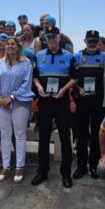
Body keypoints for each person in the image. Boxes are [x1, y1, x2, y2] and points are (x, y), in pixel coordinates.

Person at [32, 26, 77, 187]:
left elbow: (75, 78)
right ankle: (42, 171)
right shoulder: (39, 55)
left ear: (59, 38)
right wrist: (38, 87)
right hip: (44, 102)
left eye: (54, 37)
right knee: (43, 138)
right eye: (48, 37)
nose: (51, 40)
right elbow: (35, 77)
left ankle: (66, 173)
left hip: (61, 102)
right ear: (45, 39)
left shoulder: (68, 56)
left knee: (65, 138)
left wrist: (64, 90)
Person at [0, 37, 34, 183]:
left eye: (13, 44)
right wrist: (0, 98)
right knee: (5, 135)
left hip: (20, 103)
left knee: (20, 135)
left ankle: (19, 166)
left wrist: (11, 98)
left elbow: (26, 84)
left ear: (18, 46)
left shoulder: (26, 64)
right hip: (1, 104)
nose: (10, 46)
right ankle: (5, 166)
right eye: (8, 44)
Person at [73, 30, 105, 180]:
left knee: (96, 134)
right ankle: (81, 166)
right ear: (85, 41)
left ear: (98, 41)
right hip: (82, 100)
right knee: (81, 134)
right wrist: (78, 89)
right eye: (90, 41)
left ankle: (94, 165)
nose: (93, 44)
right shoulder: (77, 57)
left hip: (98, 101)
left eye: (95, 41)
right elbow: (72, 78)